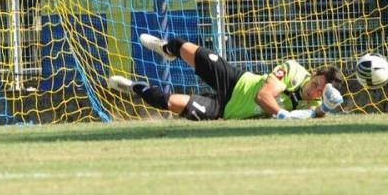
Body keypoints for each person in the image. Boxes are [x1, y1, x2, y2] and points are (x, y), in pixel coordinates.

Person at [108, 34, 344, 120]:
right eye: (315, 84)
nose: (313, 92)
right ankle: (166, 48)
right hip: (235, 80)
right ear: (313, 74)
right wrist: (283, 115)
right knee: (185, 47)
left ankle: (135, 87)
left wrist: (326, 106)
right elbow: (263, 96)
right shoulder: (293, 69)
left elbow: (315, 114)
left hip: (225, 109)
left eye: (318, 92)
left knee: (170, 102)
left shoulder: (315, 101)